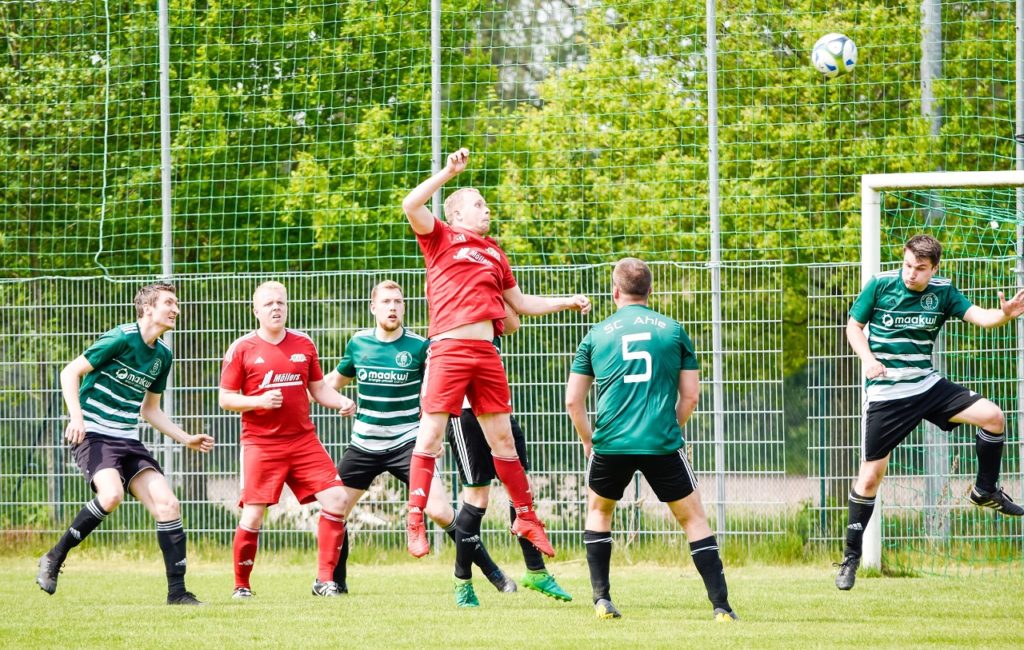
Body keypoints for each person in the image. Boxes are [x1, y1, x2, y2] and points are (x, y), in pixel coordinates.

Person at [401, 147, 591, 606]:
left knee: (505, 444)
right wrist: (449, 172)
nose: (488, 210)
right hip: (448, 348)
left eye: (487, 204)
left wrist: (566, 301)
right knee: (429, 438)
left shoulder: (494, 253)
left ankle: (527, 518)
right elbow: (410, 204)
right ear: (457, 212)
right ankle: (415, 517)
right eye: (480, 204)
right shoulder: (440, 237)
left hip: (486, 354)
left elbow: (520, 306)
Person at [835, 234, 1024, 590]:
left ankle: (985, 490)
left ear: (934, 268)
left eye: (920, 269)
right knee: (870, 478)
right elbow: (853, 327)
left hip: (927, 386)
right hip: (887, 394)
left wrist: (1004, 313)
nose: (911, 274)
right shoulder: (879, 285)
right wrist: (869, 360)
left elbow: (981, 318)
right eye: (908, 265)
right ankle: (850, 559)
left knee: (994, 417)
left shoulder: (943, 292)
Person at [565, 258, 737, 622]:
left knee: (599, 512)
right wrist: (669, 426)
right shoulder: (673, 331)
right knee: (694, 520)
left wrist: (588, 440)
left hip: (611, 442)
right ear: (650, 291)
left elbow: (572, 400)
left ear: (615, 292)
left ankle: (602, 600)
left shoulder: (596, 334)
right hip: (662, 443)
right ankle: (721, 607)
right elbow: (691, 396)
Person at [323, 280, 515, 594]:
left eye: (398, 301)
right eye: (385, 302)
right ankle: (336, 583)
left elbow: (440, 392)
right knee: (335, 509)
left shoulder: (419, 346)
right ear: (373, 307)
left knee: (439, 511)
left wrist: (433, 436)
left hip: (407, 444)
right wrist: (323, 397)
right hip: (364, 444)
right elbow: (334, 381)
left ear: (404, 307)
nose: (392, 307)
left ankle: (494, 573)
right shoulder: (358, 343)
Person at [36, 283, 215, 605]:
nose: (176, 309)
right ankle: (54, 556)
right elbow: (70, 372)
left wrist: (185, 438)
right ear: (148, 308)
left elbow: (150, 410)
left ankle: (178, 594)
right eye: (169, 303)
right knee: (112, 495)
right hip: (94, 434)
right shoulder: (121, 337)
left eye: (176, 304)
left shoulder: (163, 356)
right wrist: (76, 418)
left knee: (168, 504)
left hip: (128, 439)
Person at [219, 281, 356, 598]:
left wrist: (341, 401)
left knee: (337, 500)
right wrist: (258, 402)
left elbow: (319, 389)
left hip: (303, 441)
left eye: (280, 302)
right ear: (256, 311)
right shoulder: (242, 348)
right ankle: (242, 586)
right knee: (253, 514)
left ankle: (324, 581)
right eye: (268, 304)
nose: (276, 308)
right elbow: (226, 398)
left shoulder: (304, 344)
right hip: (261, 444)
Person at [446, 303, 572, 604]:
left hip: (498, 411)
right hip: (465, 414)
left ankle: (536, 571)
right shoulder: (458, 306)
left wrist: (500, 296)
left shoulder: (491, 307)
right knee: (477, 499)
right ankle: (462, 582)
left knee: (520, 490)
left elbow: (514, 322)